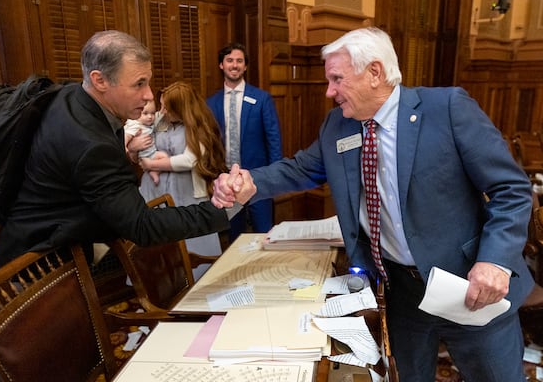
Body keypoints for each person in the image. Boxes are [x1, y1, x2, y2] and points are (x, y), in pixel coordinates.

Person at [212, 27, 534, 382]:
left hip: (471, 286)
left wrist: (494, 262)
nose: (329, 91)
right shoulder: (340, 125)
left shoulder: (446, 109)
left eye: (337, 79)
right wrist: (250, 184)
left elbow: (511, 189)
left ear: (375, 73)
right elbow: (301, 168)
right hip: (403, 293)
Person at [0, 30, 255, 268]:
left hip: (42, 245)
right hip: (41, 271)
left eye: (148, 82)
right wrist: (224, 208)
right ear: (99, 80)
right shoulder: (90, 144)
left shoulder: (72, 95)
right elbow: (142, 226)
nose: (149, 95)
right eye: (138, 83)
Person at [138, 81, 227, 279]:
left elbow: (190, 160)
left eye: (166, 107)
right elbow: (143, 135)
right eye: (161, 105)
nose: (162, 111)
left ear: (181, 109)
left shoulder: (199, 127)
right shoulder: (162, 120)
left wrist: (153, 165)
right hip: (157, 191)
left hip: (186, 193)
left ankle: (197, 283)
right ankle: (161, 287)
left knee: (189, 235)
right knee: (158, 237)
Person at [207, 42, 283, 242]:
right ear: (221, 65)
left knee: (264, 231)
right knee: (235, 234)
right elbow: (209, 142)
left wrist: (275, 175)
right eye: (230, 60)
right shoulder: (211, 103)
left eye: (239, 61)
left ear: (245, 66)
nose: (234, 65)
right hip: (227, 181)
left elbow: (273, 138)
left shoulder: (261, 98)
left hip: (259, 177)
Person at [123, 100, 167, 184]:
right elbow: (127, 135)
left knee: (163, 156)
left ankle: (153, 172)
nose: (150, 117)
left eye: (152, 113)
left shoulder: (149, 124)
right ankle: (152, 171)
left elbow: (160, 117)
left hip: (151, 153)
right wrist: (125, 145)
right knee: (163, 157)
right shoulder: (135, 125)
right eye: (145, 113)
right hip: (144, 155)